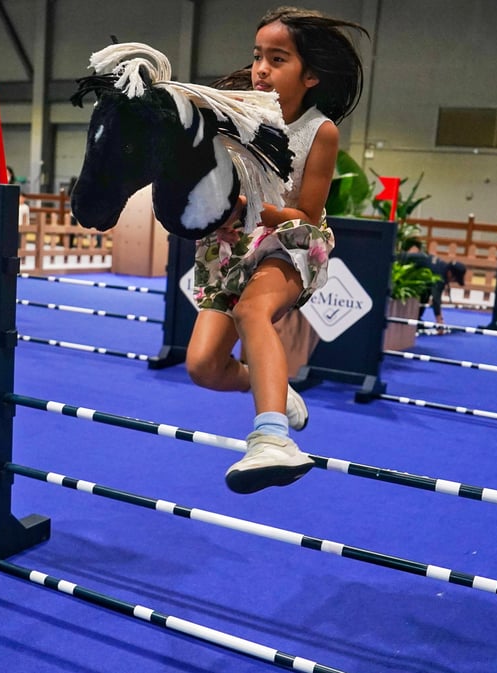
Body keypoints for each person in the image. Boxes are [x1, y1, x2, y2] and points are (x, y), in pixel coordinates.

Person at [186, 6, 367, 494]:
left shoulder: (319, 131)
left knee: (252, 310)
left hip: (291, 243)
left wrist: (247, 206)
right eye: (257, 56)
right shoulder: (236, 116)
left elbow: (305, 215)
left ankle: (272, 438)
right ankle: (272, 385)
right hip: (235, 246)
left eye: (278, 59)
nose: (261, 68)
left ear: (310, 75)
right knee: (203, 366)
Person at [397, 244, 467, 325]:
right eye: (454, 280)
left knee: (426, 289)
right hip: (400, 265)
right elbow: (436, 300)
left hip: (405, 263)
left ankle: (417, 318)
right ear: (450, 274)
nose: (452, 282)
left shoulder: (442, 266)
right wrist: (439, 321)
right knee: (425, 291)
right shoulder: (439, 276)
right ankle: (413, 319)